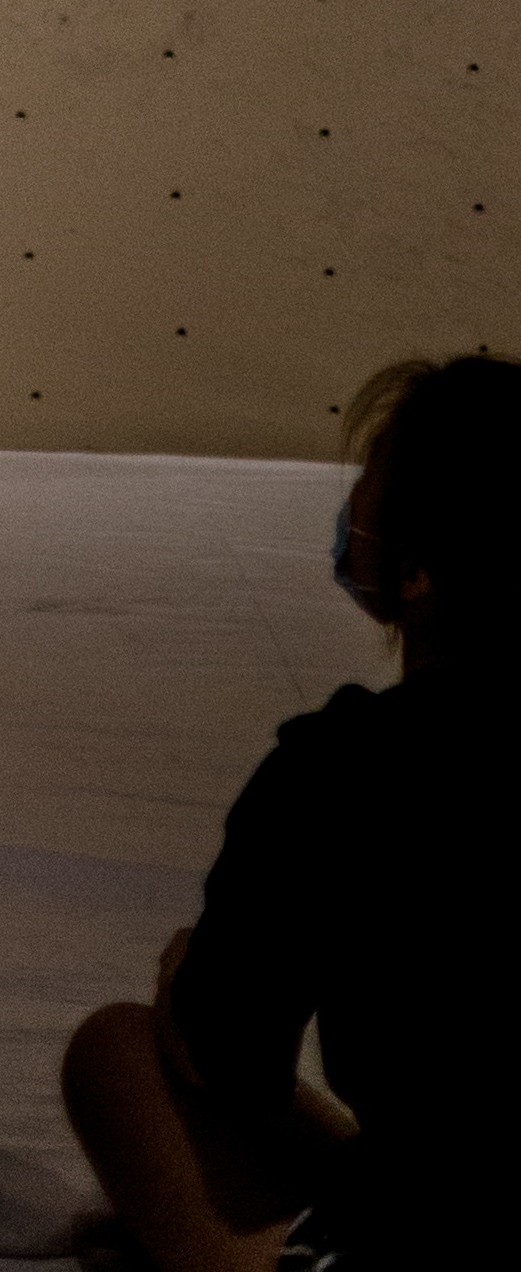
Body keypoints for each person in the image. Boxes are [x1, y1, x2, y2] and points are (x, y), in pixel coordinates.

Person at [62, 349, 521, 1272]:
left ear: (416, 571)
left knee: (119, 1053)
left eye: (368, 491)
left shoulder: (347, 768)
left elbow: (225, 1060)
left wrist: (183, 983)